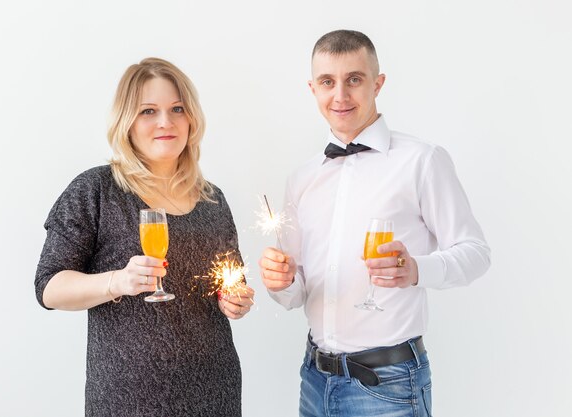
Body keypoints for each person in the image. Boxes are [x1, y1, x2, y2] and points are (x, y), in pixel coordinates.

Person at [259, 30, 490, 417]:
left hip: (389, 385)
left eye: (354, 79)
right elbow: (295, 291)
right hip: (314, 380)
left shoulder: (422, 160)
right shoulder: (301, 179)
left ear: (378, 83)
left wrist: (416, 269)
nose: (340, 96)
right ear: (312, 88)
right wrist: (278, 283)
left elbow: (476, 253)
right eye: (328, 82)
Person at [35, 57, 254, 417]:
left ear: (191, 119)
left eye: (177, 109)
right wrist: (117, 281)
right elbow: (49, 288)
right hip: (128, 398)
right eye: (148, 111)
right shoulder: (97, 190)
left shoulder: (212, 199)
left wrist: (236, 299)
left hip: (215, 391)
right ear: (127, 122)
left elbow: (231, 281)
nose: (165, 122)